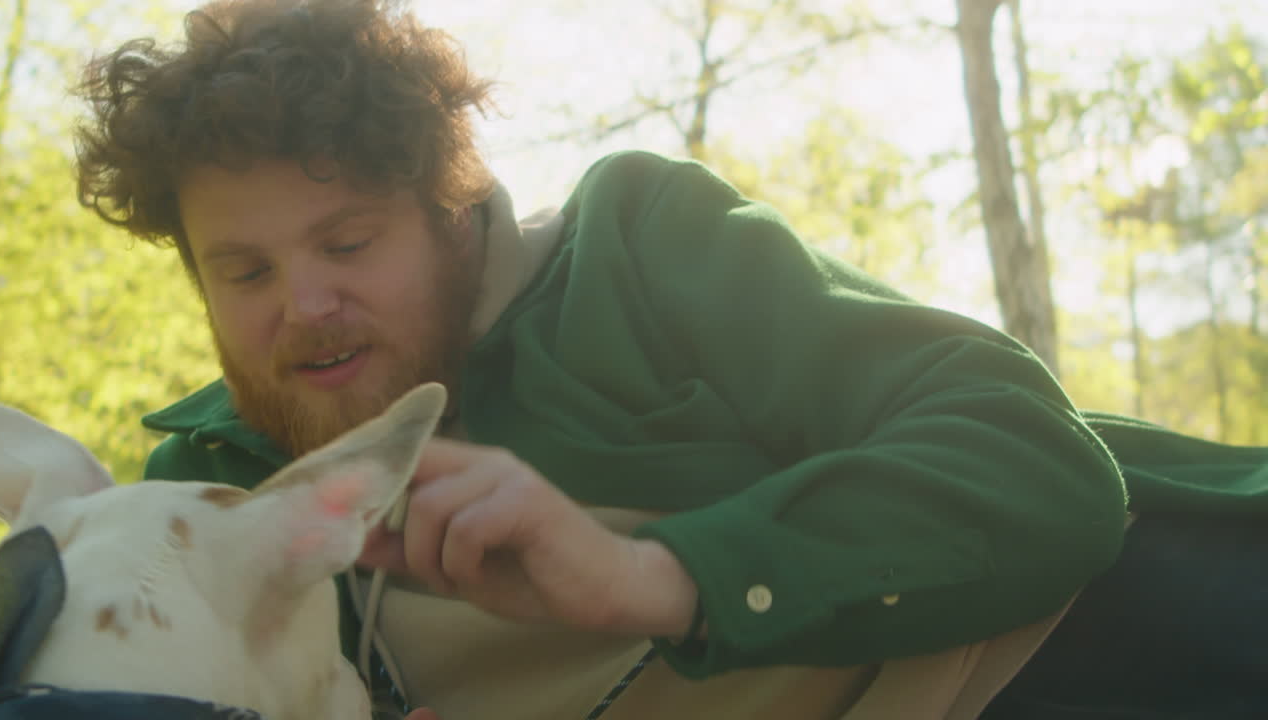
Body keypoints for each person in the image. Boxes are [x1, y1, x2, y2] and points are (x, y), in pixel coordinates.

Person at [71, 0, 1268, 718]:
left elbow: (1035, 465)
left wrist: (652, 573)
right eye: (245, 273)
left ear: (449, 206)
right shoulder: (197, 495)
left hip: (1121, 627)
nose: (306, 306)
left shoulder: (633, 248)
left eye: (346, 241)